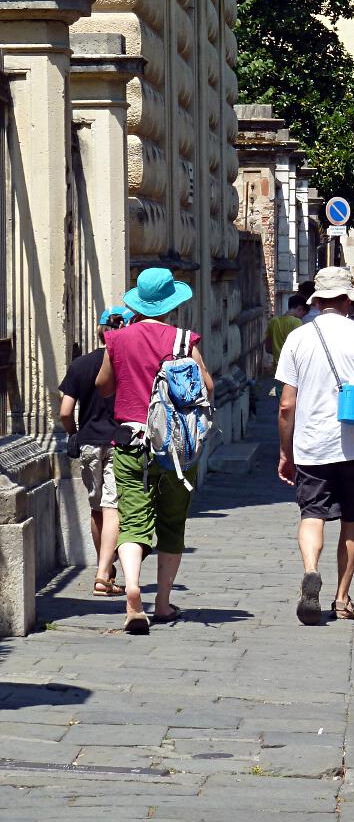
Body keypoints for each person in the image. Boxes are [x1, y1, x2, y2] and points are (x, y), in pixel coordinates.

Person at [276, 266, 354, 626]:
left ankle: (311, 569)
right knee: (351, 518)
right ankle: (342, 599)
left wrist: (285, 451)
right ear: (347, 300)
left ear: (317, 300)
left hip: (311, 446)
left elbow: (286, 403)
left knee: (312, 514)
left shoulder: (298, 338)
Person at [96, 267, 214, 636]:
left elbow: (103, 387)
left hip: (130, 444)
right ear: (170, 304)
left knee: (132, 521)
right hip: (175, 449)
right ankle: (162, 603)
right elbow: (206, 386)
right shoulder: (182, 340)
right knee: (172, 524)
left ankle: (133, 589)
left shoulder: (117, 339)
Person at [59, 308, 131, 598]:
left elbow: (65, 411)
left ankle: (106, 572)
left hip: (88, 442)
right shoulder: (125, 364)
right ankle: (106, 573)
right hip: (118, 441)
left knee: (97, 508)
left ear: (99, 330)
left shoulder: (80, 365)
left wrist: (74, 432)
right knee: (115, 506)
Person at [266, 293, 307, 395]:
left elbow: (268, 348)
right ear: (300, 308)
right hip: (293, 370)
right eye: (303, 313)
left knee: (281, 401)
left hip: (278, 369)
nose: (302, 317)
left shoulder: (273, 322)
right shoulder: (297, 322)